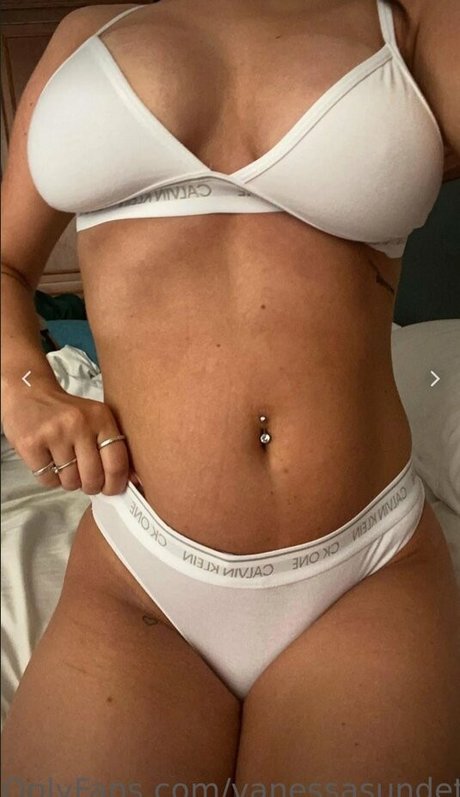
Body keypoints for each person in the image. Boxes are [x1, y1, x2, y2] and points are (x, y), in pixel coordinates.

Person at [1, 0, 459, 786]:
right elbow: (7, 265)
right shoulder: (88, 31)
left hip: (366, 564)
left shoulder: (410, 19)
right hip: (141, 573)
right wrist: (23, 384)